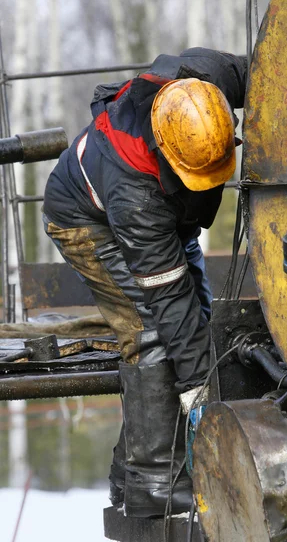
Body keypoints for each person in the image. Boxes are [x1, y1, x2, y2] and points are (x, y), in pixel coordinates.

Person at [43, 47, 247, 518]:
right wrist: (203, 394)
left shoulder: (208, 80)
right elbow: (171, 303)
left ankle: (127, 473)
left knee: (198, 322)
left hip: (166, 217)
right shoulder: (136, 196)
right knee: (152, 333)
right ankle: (156, 483)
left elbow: (277, 67)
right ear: (167, 153)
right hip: (85, 221)